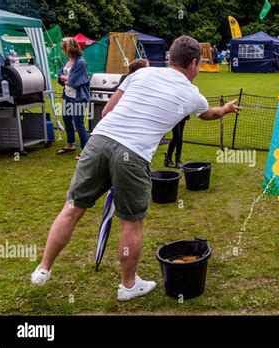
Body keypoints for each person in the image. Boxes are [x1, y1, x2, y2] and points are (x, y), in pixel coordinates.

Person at [31, 35, 241, 301]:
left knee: (72, 208)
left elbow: (107, 111)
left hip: (98, 141)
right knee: (131, 224)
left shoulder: (141, 74)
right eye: (199, 66)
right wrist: (225, 109)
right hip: (132, 154)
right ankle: (128, 286)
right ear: (194, 63)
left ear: (170, 58)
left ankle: (43, 269)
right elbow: (208, 113)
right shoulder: (192, 94)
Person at [56, 37, 90, 160]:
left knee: (79, 123)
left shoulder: (81, 62)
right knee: (66, 119)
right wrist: (65, 78)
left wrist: (65, 78)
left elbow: (73, 82)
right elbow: (59, 75)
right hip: (68, 95)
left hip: (78, 98)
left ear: (69, 48)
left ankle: (85, 150)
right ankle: (70, 144)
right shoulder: (68, 60)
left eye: (62, 47)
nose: (61, 49)